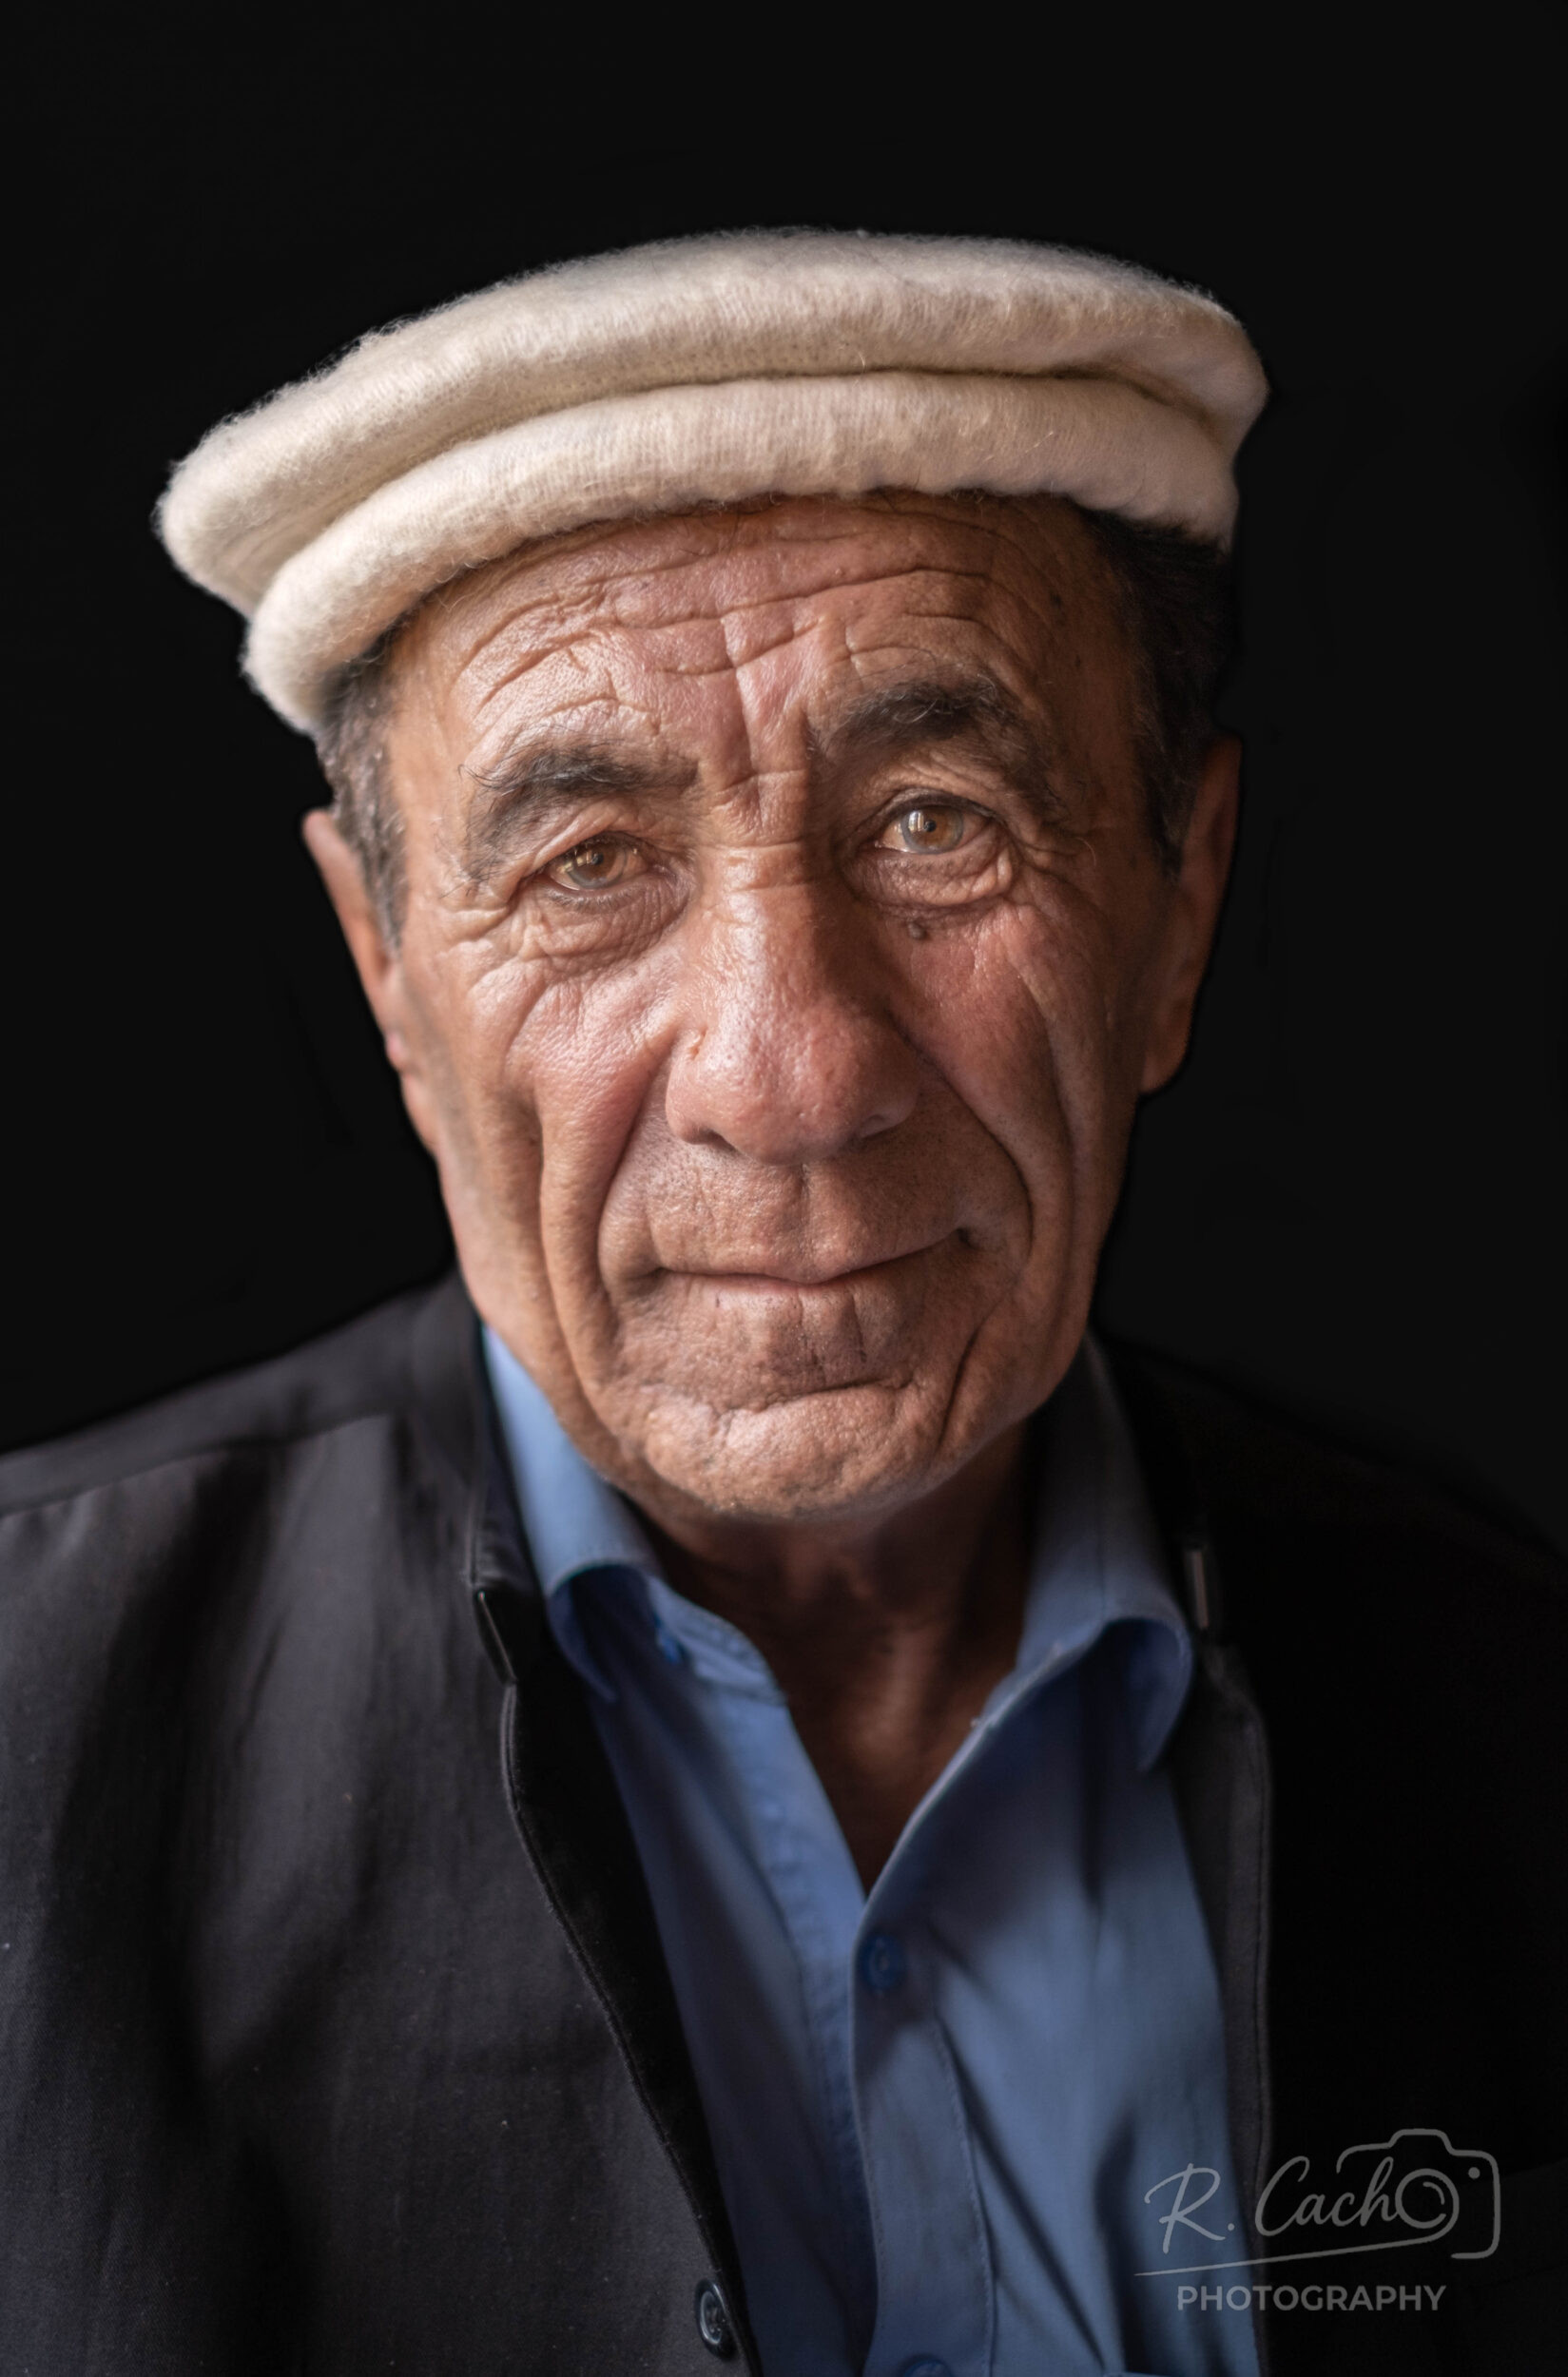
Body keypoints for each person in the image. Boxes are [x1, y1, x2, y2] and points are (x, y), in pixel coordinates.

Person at [2, 233, 1560, 2377]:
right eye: (588, 864)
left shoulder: (1507, 1719)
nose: (790, 1078)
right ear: (390, 973)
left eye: (935, 824)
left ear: (1178, 908)